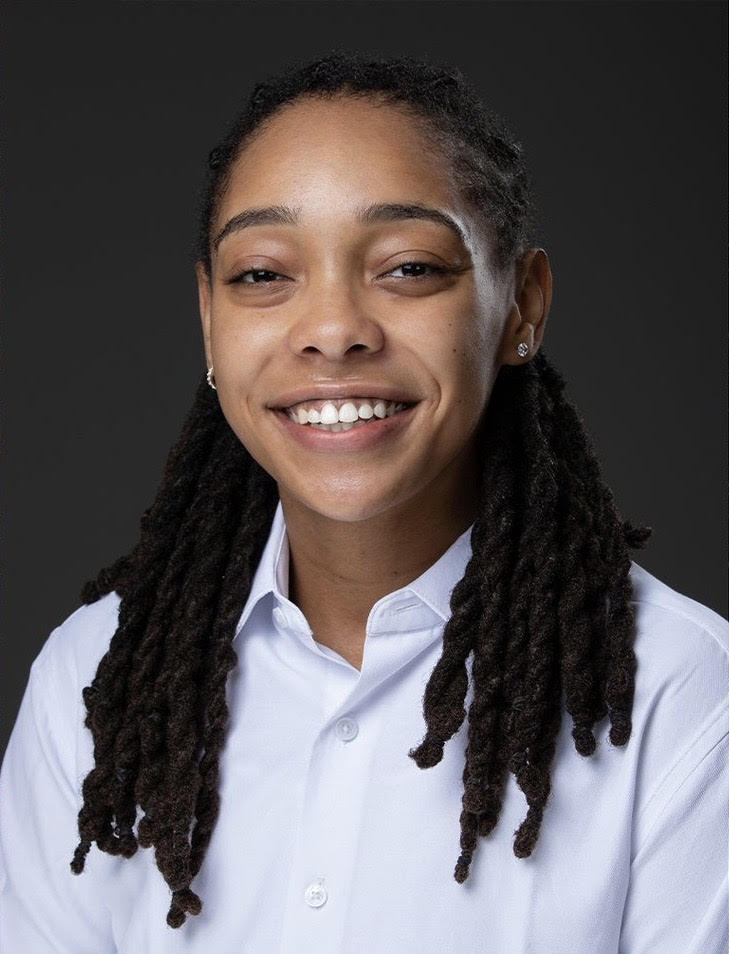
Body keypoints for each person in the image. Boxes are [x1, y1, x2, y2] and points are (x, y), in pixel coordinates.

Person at [0, 50, 726, 954]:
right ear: (209, 320)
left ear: (522, 306)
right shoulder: (89, 678)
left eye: (408, 267)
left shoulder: (684, 697)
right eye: (263, 274)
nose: (334, 330)